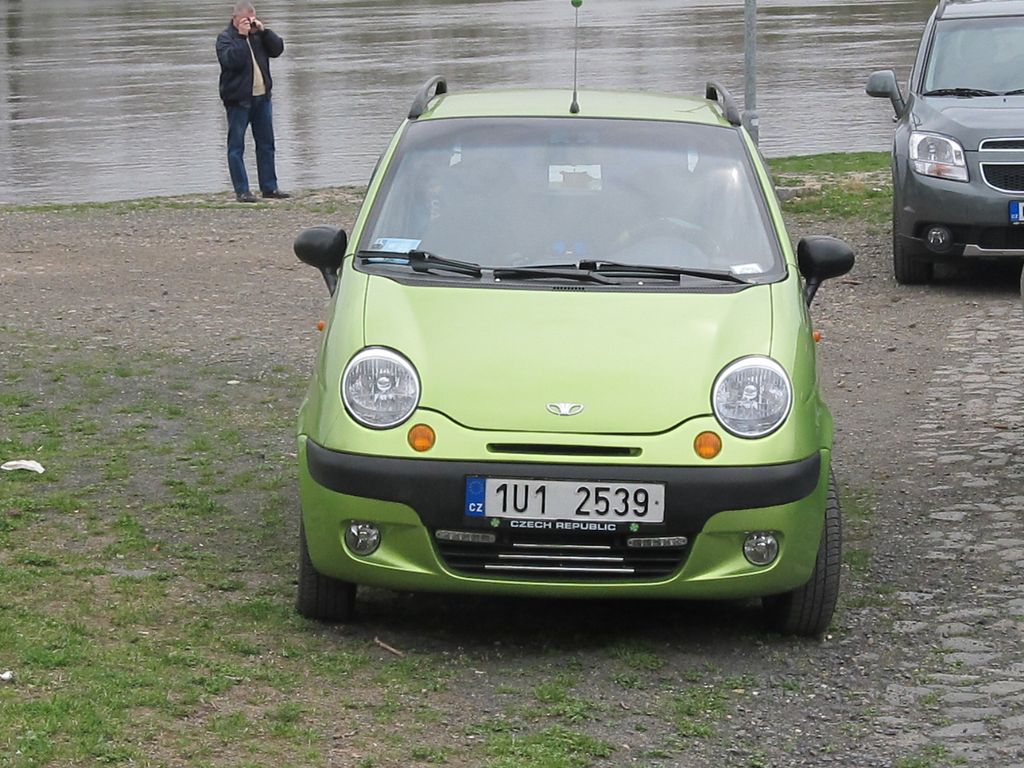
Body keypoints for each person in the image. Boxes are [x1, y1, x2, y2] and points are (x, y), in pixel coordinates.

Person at [216, 1, 289, 202]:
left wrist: (265, 32)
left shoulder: (258, 36)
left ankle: (269, 187)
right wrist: (241, 37)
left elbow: (277, 49)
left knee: (266, 144)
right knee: (236, 147)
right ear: (235, 19)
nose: (249, 24)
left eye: (251, 20)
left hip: (262, 98)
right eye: (245, 20)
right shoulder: (225, 38)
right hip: (238, 101)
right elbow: (232, 61)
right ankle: (242, 191)